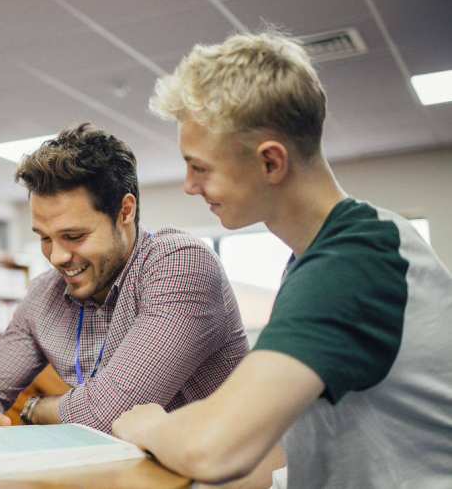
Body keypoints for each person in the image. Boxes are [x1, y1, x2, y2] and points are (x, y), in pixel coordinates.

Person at [112, 31, 452, 489]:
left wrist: (147, 424)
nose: (189, 186)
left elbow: (215, 449)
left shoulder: (354, 261)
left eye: (201, 167)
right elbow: (278, 445)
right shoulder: (321, 256)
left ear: (271, 162)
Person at [0, 123, 248, 432]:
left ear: (125, 212)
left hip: (213, 478)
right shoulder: (44, 294)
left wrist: (33, 408)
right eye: (44, 238)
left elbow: (110, 414)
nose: (56, 257)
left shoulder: (180, 263)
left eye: (73, 235)